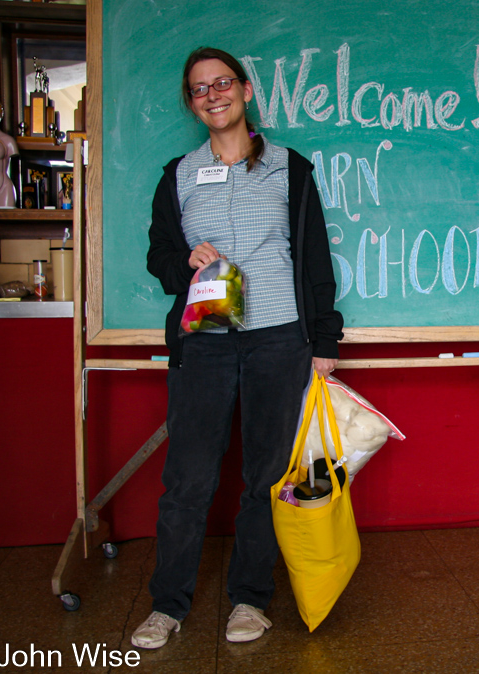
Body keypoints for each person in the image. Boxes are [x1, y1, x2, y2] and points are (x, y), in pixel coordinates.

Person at [133, 47, 343, 649]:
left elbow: (314, 259)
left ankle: (250, 600)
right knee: (188, 481)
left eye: (222, 83)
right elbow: (160, 259)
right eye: (199, 89)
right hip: (206, 337)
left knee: (266, 479)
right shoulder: (179, 174)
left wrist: (324, 339)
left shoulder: (289, 168)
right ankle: (166, 606)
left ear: (245, 91)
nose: (212, 94)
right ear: (192, 103)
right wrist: (186, 261)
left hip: (278, 338)